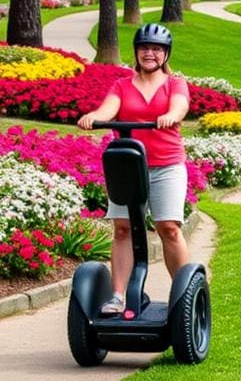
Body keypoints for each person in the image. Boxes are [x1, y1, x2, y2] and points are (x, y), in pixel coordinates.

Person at [78, 23, 190, 315]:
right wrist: (94, 117)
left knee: (169, 228)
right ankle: (117, 297)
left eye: (155, 49)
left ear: (165, 54)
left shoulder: (175, 84)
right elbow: (108, 110)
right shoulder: (122, 85)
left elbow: (180, 107)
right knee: (123, 230)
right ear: (136, 52)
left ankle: (184, 295)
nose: (149, 54)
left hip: (167, 165)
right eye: (144, 48)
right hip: (128, 168)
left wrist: (169, 115)